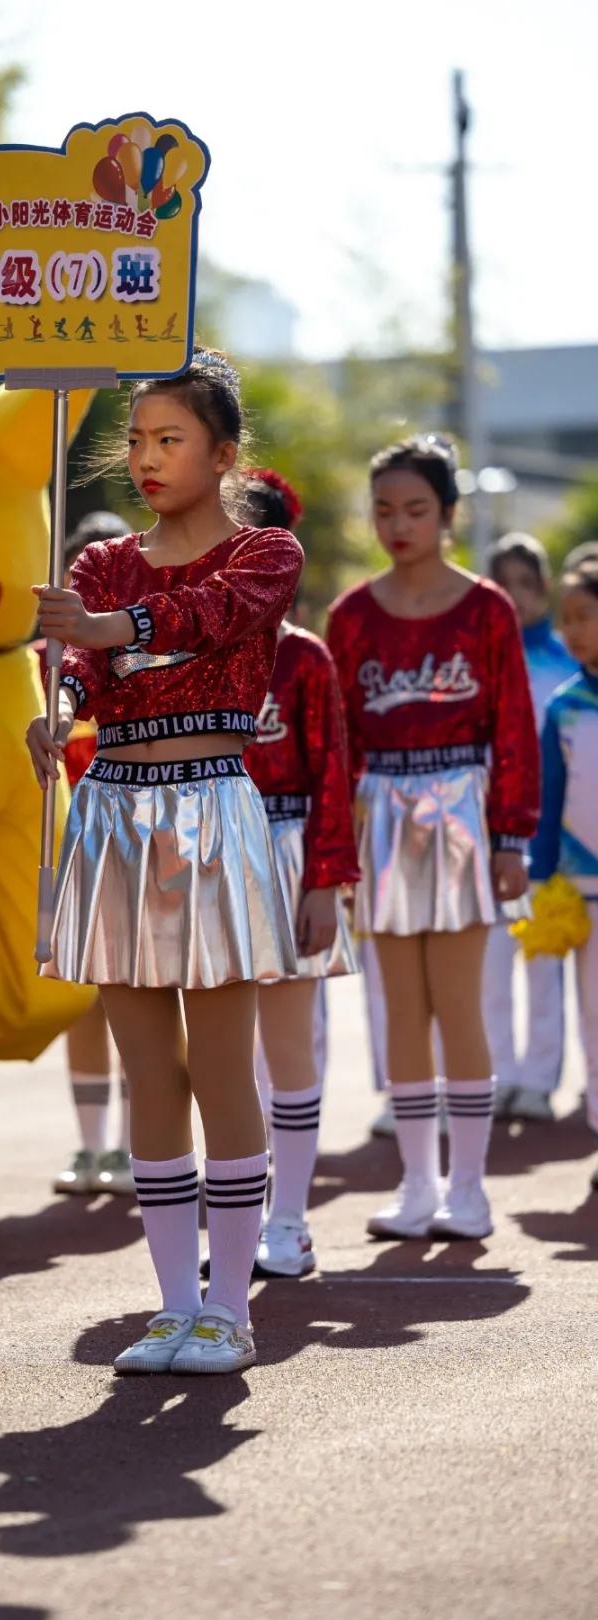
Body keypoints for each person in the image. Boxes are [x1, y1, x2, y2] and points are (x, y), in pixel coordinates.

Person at [28, 349, 303, 1375]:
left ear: (223, 453)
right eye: (136, 439)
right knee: (150, 1072)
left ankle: (231, 1309)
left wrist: (119, 627)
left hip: (214, 812)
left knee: (222, 1065)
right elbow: (82, 670)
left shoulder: (266, 552)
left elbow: (213, 616)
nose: (145, 456)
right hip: (112, 813)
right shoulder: (100, 562)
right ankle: (173, 1304)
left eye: (169, 439)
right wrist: (55, 714)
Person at [327, 434, 538, 1242]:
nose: (398, 524)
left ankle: (471, 1189)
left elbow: (513, 725)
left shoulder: (487, 608)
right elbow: (339, 742)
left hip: (461, 806)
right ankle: (417, 1182)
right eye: (383, 510)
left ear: (448, 515)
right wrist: (335, 851)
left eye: (416, 509)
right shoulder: (351, 615)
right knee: (400, 1011)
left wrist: (511, 835)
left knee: (460, 1005)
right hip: (381, 809)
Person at [238, 471, 360, 1277]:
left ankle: (289, 1222)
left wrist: (324, 881)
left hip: (284, 854)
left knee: (287, 1047)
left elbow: (332, 777)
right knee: (220, 1055)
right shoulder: (182, 647)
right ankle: (236, 1218)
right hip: (208, 855)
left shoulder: (305, 659)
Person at [47, 511, 137, 1199]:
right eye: (78, 571)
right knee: (84, 1001)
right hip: (72, 848)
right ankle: (89, 1147)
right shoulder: (40, 667)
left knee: (140, 995)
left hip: (138, 840)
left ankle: (144, 1145)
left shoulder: (138, 655)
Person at [484, 533, 578, 1121]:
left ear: (542, 588)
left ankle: (541, 1079)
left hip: (555, 842)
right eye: (503, 585)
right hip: (491, 837)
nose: (516, 598)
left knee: (544, 965)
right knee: (491, 966)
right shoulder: (479, 657)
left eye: (526, 584)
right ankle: (500, 1074)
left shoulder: (568, 661)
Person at [529, 556, 598, 1170]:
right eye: (566, 619)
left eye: (585, 617)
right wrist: (541, 874)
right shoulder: (563, 705)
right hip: (582, 893)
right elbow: (549, 799)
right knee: (594, 1015)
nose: (572, 631)